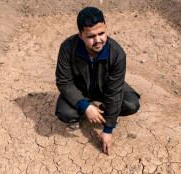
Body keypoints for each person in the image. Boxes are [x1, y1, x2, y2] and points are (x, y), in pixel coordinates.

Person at [55, 7, 140, 155]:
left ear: (106, 28)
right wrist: (86, 106)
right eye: (91, 36)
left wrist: (108, 129)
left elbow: (114, 92)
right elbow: (64, 82)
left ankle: (104, 109)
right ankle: (87, 111)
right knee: (65, 113)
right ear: (80, 35)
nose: (98, 40)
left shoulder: (117, 53)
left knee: (131, 104)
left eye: (101, 33)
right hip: (80, 90)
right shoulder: (67, 48)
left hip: (107, 89)